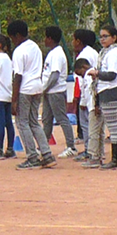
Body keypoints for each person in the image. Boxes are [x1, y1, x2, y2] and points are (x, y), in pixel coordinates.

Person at [8, 20, 56, 170]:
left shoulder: (19, 51)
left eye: (12, 38)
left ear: (17, 35)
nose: (12, 42)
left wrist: (14, 101)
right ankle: (47, 154)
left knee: (22, 123)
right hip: (37, 87)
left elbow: (18, 76)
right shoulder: (34, 46)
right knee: (34, 122)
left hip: (25, 89)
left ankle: (32, 157)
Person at [86, 25, 117, 170]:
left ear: (114, 38)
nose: (102, 39)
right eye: (100, 36)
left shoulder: (113, 54)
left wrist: (96, 73)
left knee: (113, 128)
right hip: (104, 91)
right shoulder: (104, 52)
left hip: (110, 91)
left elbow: (112, 74)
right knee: (112, 126)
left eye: (105, 36)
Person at [41, 26, 77, 159]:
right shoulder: (52, 53)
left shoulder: (57, 54)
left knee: (62, 118)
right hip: (49, 92)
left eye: (46, 37)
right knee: (47, 119)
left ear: (50, 38)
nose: (44, 40)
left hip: (55, 91)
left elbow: (55, 75)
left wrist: (44, 89)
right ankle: (44, 146)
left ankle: (71, 146)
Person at [71, 29, 98, 161]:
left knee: (87, 124)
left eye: (73, 39)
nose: (72, 42)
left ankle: (89, 150)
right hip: (92, 95)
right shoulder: (93, 52)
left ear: (79, 41)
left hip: (87, 95)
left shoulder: (84, 55)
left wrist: (80, 99)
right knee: (92, 124)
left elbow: (82, 79)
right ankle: (93, 149)